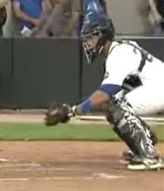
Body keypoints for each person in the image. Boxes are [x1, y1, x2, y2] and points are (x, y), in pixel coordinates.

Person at [44, 15, 164, 171]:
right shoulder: (118, 49)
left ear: (102, 36)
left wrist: (71, 111)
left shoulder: (118, 54)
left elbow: (104, 94)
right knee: (111, 105)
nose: (87, 43)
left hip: (159, 88)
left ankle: (149, 155)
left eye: (91, 38)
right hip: (155, 86)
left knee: (115, 105)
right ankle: (143, 142)